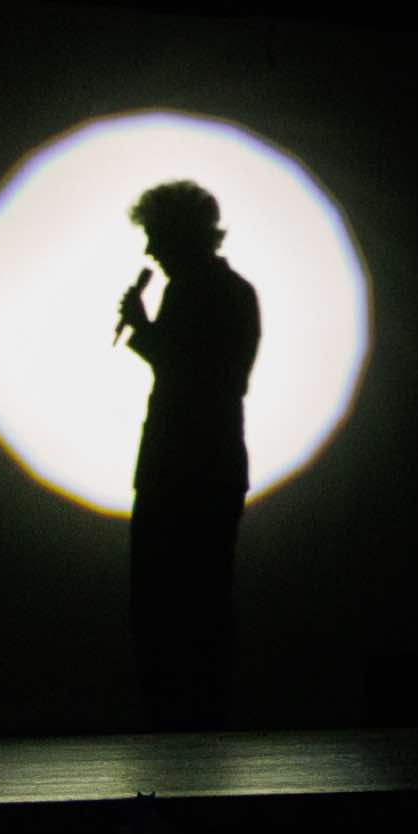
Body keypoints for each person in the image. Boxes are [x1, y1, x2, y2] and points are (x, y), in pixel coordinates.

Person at [117, 179, 260, 730]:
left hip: (186, 468)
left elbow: (198, 376)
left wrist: (142, 328)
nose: (149, 249)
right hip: (205, 465)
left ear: (181, 234)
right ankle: (195, 721)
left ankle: (181, 723)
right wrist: (148, 331)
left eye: (156, 235)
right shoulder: (227, 290)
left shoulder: (204, 292)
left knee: (172, 604)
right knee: (197, 601)